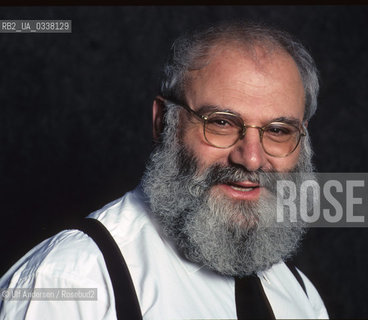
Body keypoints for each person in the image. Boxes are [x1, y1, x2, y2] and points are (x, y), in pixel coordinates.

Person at [0, 22, 329, 319]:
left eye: (278, 130)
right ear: (163, 121)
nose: (252, 159)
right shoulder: (72, 282)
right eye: (221, 123)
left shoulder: (299, 295)